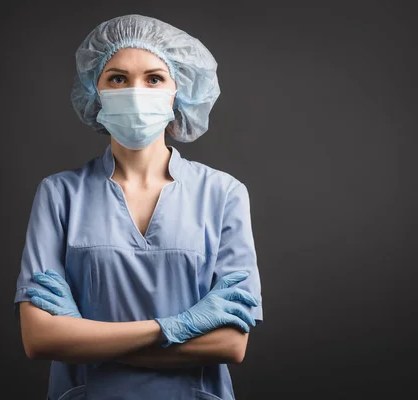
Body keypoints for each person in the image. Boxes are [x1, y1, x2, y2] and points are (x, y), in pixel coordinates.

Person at [14, 14, 263, 400]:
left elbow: (229, 345)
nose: (135, 91)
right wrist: (179, 327)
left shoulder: (223, 193)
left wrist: (83, 335)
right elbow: (41, 339)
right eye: (117, 78)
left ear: (179, 89)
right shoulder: (60, 194)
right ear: (94, 90)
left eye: (153, 78)